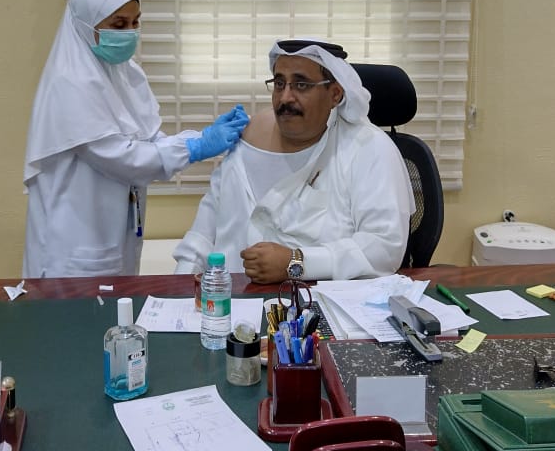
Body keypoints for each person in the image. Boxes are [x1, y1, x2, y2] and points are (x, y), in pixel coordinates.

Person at [23, 0, 249, 278]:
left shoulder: (125, 73)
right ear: (86, 25)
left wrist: (202, 136)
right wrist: (196, 147)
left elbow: (148, 140)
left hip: (113, 239)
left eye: (135, 22)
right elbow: (121, 157)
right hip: (73, 250)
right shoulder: (70, 83)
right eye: (119, 25)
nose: (130, 33)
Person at [173, 39, 415, 283]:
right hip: (230, 298)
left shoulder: (368, 148)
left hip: (320, 301)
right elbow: (202, 236)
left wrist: (296, 262)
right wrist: (177, 288)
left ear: (335, 94)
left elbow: (384, 248)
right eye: (279, 84)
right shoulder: (246, 142)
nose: (285, 98)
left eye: (301, 85)